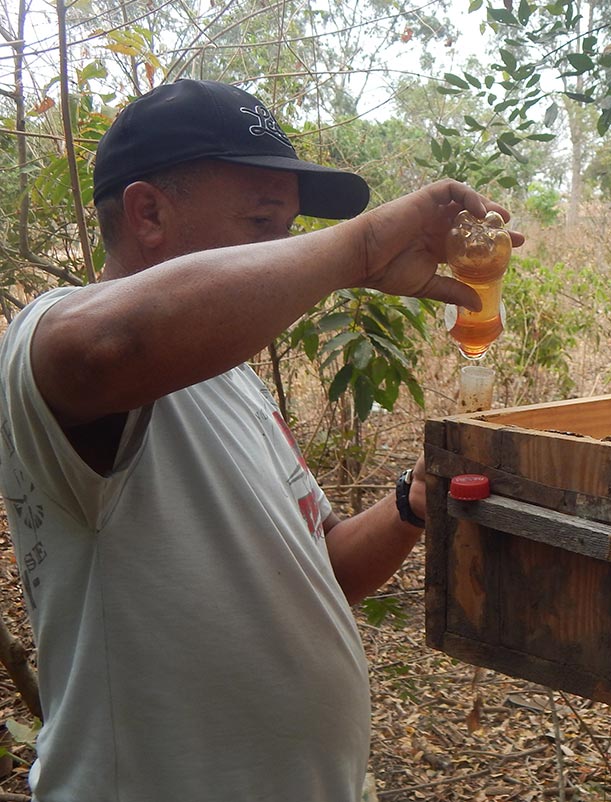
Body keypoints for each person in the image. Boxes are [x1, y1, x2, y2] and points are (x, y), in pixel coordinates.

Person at [0, 78, 522, 802]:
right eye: (263, 221)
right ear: (148, 212)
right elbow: (104, 347)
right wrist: (362, 247)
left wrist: (414, 498)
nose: (287, 250)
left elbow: (324, 569)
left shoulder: (228, 381)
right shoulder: (58, 342)